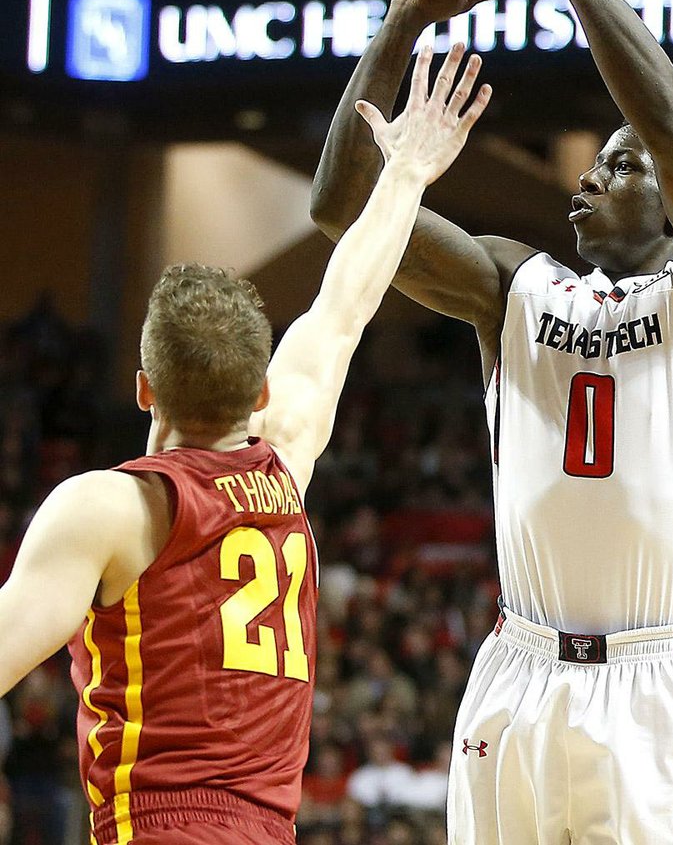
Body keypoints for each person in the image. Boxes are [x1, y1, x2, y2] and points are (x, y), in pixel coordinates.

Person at [310, 0, 673, 841]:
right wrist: (398, 27)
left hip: (651, 682)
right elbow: (340, 209)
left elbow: (669, 123)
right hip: (514, 669)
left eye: (617, 166)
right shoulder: (511, 286)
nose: (584, 180)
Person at [0, 47, 493, 844]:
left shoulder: (107, 507)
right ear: (259, 393)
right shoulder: (286, 455)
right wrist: (406, 171)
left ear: (142, 388)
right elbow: (345, 305)